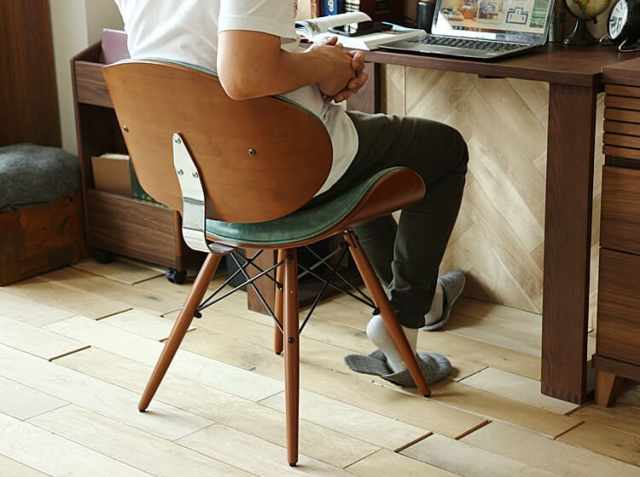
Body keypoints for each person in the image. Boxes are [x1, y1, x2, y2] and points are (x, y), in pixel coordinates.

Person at [114, 0, 468, 384]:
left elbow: (199, 57)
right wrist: (323, 65)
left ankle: (417, 300)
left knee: (367, 166)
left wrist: (313, 65)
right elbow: (244, 75)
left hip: (201, 180)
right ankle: (407, 316)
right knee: (443, 149)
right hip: (281, 173)